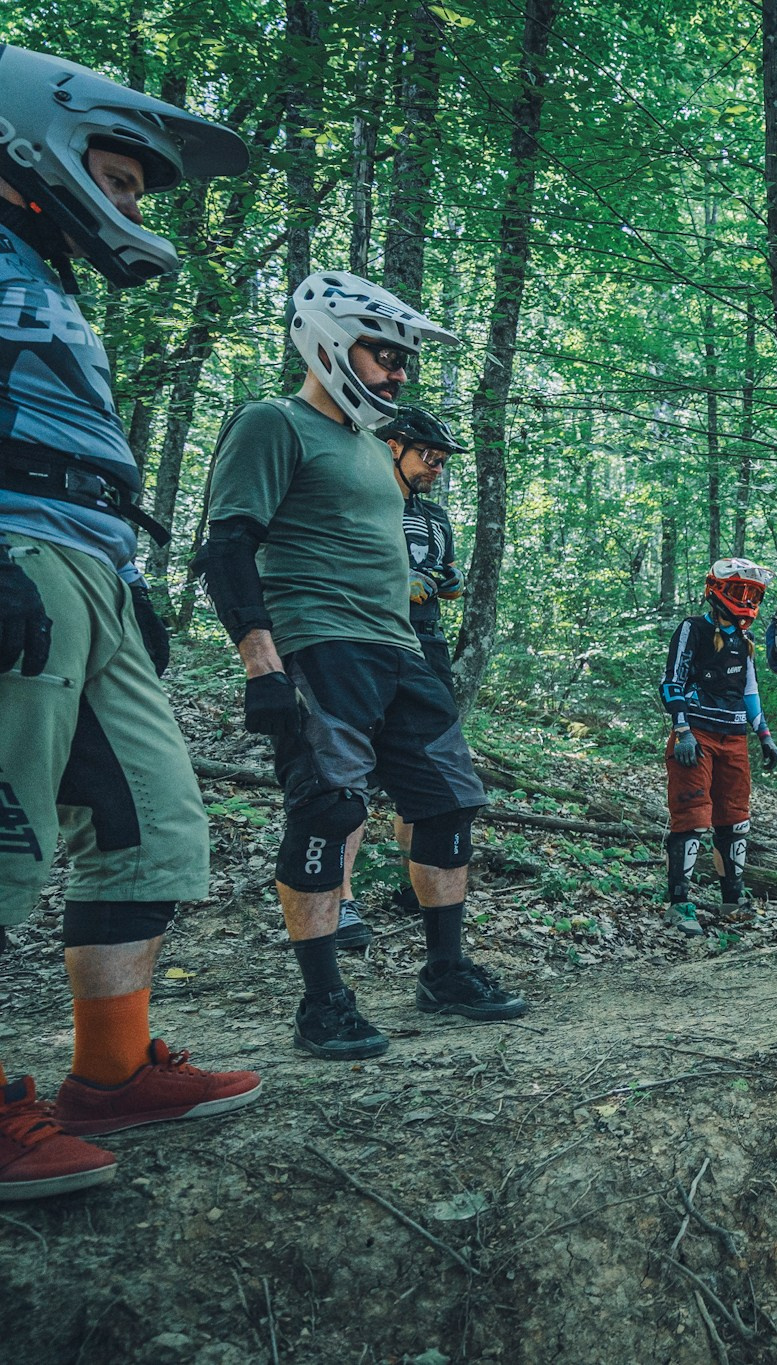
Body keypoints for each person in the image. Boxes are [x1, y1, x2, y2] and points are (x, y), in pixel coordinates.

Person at [0, 44, 260, 1200]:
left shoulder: (41, 273)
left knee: (155, 826)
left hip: (90, 567)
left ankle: (109, 1074)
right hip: (14, 555)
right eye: (121, 179)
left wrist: (126, 582)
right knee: (6, 833)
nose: (135, 207)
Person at [198, 270, 527, 1062]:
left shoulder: (376, 451)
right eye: (386, 355)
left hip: (402, 650)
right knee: (331, 809)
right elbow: (227, 547)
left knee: (448, 803)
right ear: (331, 343)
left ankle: (444, 970)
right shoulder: (273, 422)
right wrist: (262, 666)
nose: (399, 373)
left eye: (404, 359)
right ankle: (323, 1001)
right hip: (319, 643)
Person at [329, 406, 468, 950]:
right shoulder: (357, 499)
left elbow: (446, 578)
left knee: (432, 772)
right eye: (429, 456)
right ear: (393, 447)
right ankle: (340, 900)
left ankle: (419, 889)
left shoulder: (435, 515)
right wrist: (394, 582)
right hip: (362, 643)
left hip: (425, 646)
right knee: (349, 777)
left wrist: (445, 580)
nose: (437, 467)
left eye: (442, 460)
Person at [659, 557, 777, 936]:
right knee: (692, 818)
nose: (746, 600)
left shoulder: (744, 642)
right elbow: (671, 682)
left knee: (735, 820)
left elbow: (750, 691)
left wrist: (764, 735)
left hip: (734, 737)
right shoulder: (692, 629)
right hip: (697, 734)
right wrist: (682, 729)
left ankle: (733, 900)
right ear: (718, 591)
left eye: (752, 594)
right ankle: (679, 904)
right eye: (740, 592)